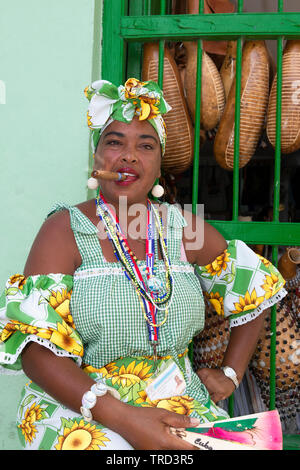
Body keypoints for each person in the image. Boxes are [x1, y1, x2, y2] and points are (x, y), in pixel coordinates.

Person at [0, 78, 286, 451]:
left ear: (159, 163)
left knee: (249, 445)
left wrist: (230, 374)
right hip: (82, 407)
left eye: (146, 145)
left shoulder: (185, 230)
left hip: (178, 400)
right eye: (114, 142)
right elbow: (37, 355)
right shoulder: (64, 230)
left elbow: (255, 291)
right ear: (97, 157)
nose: (129, 156)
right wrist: (127, 421)